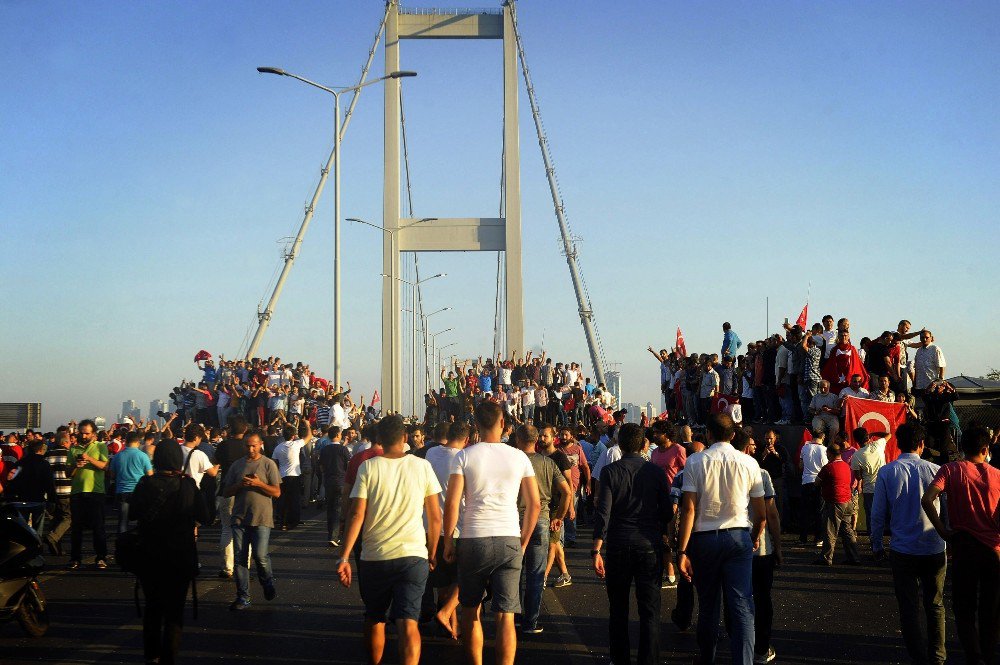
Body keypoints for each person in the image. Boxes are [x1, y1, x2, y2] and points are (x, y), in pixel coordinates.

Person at [337, 415, 442, 665]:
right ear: (405, 438)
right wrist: (432, 551)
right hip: (413, 554)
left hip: (375, 556)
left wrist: (344, 556)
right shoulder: (422, 466)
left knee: (375, 618)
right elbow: (435, 518)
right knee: (408, 622)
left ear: (380, 439)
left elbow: (357, 514)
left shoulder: (368, 467)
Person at [442, 400, 541, 665]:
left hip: (473, 537)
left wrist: (448, 540)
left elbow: (453, 503)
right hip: (508, 536)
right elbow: (535, 504)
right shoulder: (519, 456)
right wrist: (523, 540)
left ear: (476, 425)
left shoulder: (464, 456)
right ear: (503, 424)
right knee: (506, 616)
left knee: (471, 611)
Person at [678, 414, 766, 665]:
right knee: (742, 607)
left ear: (708, 434)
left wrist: (682, 551)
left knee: (708, 606)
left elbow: (689, 510)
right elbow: (760, 513)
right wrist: (755, 536)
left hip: (704, 538)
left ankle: (707, 659)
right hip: (739, 535)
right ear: (733, 435)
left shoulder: (695, 461)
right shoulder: (749, 463)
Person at [592, 422, 671, 665]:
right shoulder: (656, 472)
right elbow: (667, 512)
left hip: (618, 544)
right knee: (650, 611)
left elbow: (603, 512)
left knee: (618, 609)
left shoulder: (610, 472)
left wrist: (596, 549)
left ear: (621, 444)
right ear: (644, 444)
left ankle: (620, 658)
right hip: (649, 544)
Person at [921, 425, 1000, 665]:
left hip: (963, 546)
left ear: (962, 447)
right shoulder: (998, 475)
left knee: (964, 608)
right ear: (986, 449)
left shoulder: (950, 470)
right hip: (993, 549)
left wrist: (943, 530)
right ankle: (988, 655)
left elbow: (927, 499)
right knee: (991, 608)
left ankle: (974, 657)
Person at [870, 422, 947, 665]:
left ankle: (919, 657)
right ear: (922, 445)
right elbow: (946, 511)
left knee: (908, 607)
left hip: (902, 549)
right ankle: (938, 657)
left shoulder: (888, 471)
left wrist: (876, 545)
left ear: (897, 444)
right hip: (934, 546)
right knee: (935, 604)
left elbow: (878, 513)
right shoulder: (936, 469)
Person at [130, 439, 210, 665]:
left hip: (149, 555)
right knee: (174, 611)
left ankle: (151, 655)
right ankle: (169, 657)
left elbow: (132, 513)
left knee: (153, 607)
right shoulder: (187, 485)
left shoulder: (145, 484)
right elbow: (205, 516)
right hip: (180, 556)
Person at [514, 424, 569, 635]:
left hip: (516, 518)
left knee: (515, 571)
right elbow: (567, 492)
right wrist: (559, 517)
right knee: (536, 574)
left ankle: (516, 615)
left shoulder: (513, 461)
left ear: (518, 440)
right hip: (541, 519)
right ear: (536, 440)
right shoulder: (548, 463)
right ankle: (531, 622)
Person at [222, 430, 281, 610]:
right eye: (248, 446)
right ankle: (243, 597)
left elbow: (277, 492)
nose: (251, 449)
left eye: (254, 445)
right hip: (240, 517)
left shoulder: (268, 464)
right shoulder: (237, 466)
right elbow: (225, 491)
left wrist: (259, 484)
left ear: (260, 444)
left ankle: (267, 582)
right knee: (240, 558)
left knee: (260, 556)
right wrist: (241, 484)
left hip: (261, 517)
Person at [67, 419, 110, 570]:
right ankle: (75, 558)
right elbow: (68, 473)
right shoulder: (73, 449)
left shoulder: (100, 446)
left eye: (87, 433)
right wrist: (76, 466)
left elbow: (105, 466)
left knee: (98, 527)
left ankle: (101, 557)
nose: (84, 436)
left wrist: (90, 459)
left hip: (95, 492)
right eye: (82, 433)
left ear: (93, 434)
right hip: (78, 492)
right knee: (76, 528)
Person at [648, 420, 685, 587]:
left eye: (658, 432)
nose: (654, 435)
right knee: (662, 538)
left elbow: (686, 474)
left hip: (676, 501)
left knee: (675, 538)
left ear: (667, 433)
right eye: (653, 432)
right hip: (657, 500)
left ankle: (683, 572)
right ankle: (669, 574)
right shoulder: (654, 452)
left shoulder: (678, 450)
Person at [813, 440, 861, 566]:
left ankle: (826, 558)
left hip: (835, 501)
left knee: (830, 530)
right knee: (847, 530)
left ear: (829, 454)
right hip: (847, 500)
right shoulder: (846, 466)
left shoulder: (828, 467)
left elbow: (817, 482)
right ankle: (854, 557)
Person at [108, 432, 153, 533]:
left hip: (122, 492)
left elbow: (112, 475)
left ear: (126, 441)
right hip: (139, 493)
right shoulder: (143, 456)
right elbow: (150, 475)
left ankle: (121, 545)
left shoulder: (117, 456)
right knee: (141, 521)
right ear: (138, 442)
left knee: (123, 523)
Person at [318, 426, 350, 547]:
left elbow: (321, 465)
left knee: (330, 508)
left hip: (328, 481)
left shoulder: (325, 449)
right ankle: (334, 536)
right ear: (337, 435)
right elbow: (348, 463)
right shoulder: (343, 449)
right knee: (338, 509)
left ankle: (331, 534)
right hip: (340, 481)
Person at [849, 428, 885, 535]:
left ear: (856, 441)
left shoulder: (856, 455)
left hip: (869, 489)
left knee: (870, 515)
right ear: (868, 437)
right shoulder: (878, 445)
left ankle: (873, 539)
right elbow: (888, 435)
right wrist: (874, 432)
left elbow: (858, 476)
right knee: (884, 514)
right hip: (883, 487)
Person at [44, 430, 73, 556]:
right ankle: (53, 537)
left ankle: (56, 548)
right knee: (68, 518)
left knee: (55, 519)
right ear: (66, 442)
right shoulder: (69, 454)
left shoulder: (48, 454)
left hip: (52, 491)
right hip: (66, 491)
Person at [798, 429, 829, 547]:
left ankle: (803, 537)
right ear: (823, 437)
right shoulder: (824, 450)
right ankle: (818, 538)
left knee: (805, 510)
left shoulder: (805, 448)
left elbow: (800, 465)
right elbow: (826, 468)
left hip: (806, 481)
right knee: (819, 511)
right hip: (819, 482)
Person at [272, 425, 305, 530]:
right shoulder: (296, 444)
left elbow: (274, 462)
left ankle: (283, 522)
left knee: (283, 500)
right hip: (294, 476)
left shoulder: (278, 447)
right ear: (293, 436)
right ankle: (293, 521)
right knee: (294, 500)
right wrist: (306, 424)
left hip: (282, 476)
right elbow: (308, 436)